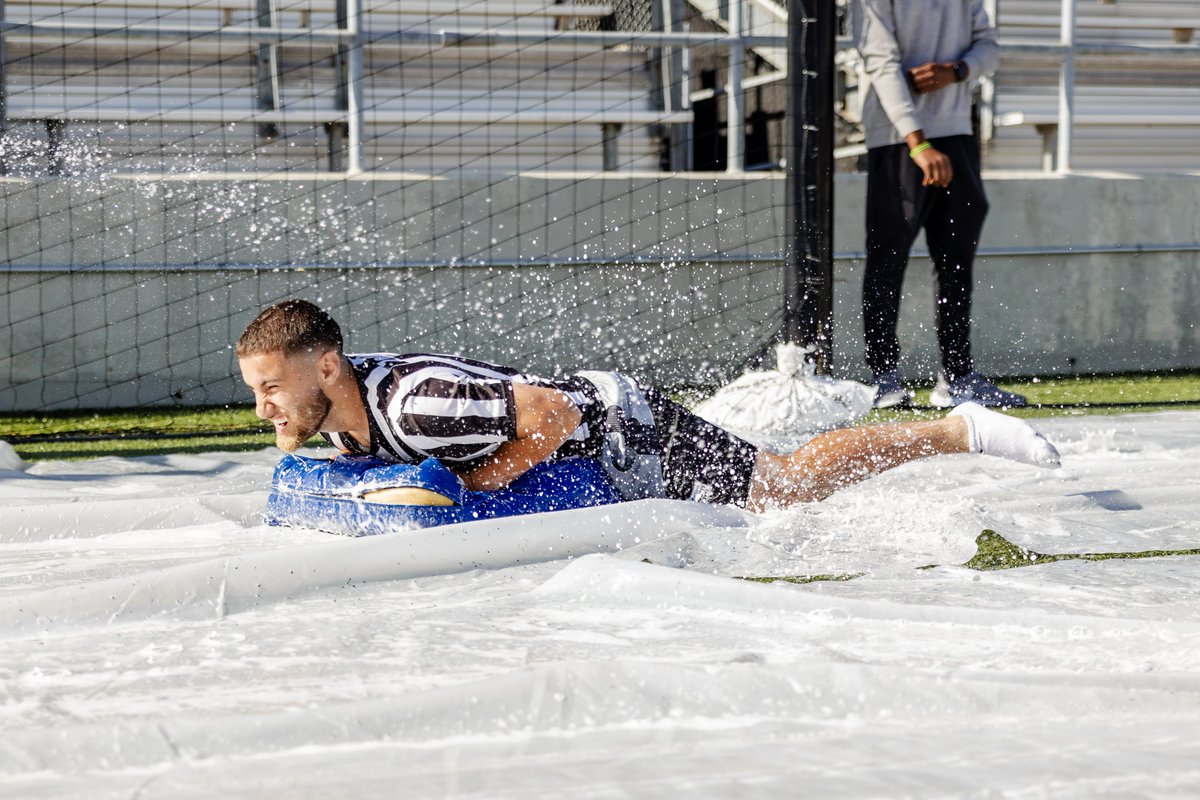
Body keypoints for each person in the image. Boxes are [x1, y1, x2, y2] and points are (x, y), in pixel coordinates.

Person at [236, 299, 1059, 513]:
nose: (265, 407)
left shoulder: (417, 409)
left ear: (330, 367)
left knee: (786, 488)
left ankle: (958, 429)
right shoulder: (343, 409)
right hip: (598, 427)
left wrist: (489, 482)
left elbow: (549, 413)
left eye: (273, 388)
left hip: (621, 428)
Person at [854, 0, 1026, 409]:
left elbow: (989, 48)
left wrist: (959, 71)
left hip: (956, 133)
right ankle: (884, 377)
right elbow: (880, 62)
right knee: (887, 257)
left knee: (955, 259)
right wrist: (919, 142)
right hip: (898, 138)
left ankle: (957, 376)